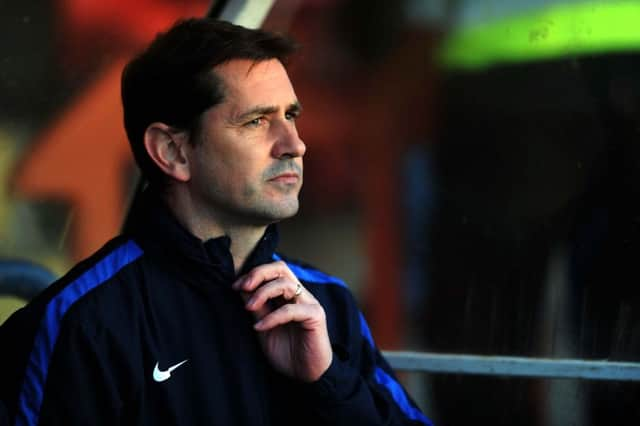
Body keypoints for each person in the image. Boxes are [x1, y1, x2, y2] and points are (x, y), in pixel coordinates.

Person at [0, 18, 432, 426]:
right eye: (257, 121)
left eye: (291, 115)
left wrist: (326, 381)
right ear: (173, 152)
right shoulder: (81, 322)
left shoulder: (325, 304)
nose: (294, 144)